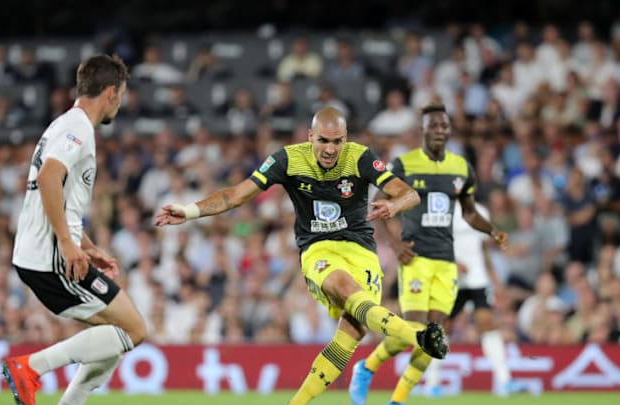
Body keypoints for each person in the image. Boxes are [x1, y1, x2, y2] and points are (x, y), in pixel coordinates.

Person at [155, 107, 449, 405]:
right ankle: (419, 337)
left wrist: (394, 206)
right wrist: (190, 211)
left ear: (345, 139)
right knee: (346, 290)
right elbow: (237, 194)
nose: (331, 149)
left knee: (352, 331)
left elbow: (409, 193)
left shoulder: (360, 157)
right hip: (319, 249)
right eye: (323, 140)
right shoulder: (288, 159)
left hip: (361, 251)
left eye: (337, 142)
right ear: (310, 137)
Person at [2, 54, 146, 405]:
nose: (121, 103)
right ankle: (31, 367)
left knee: (112, 334)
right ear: (111, 92)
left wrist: (88, 245)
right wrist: (67, 244)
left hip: (40, 253)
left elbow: (58, 200)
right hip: (49, 256)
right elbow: (50, 177)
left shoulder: (63, 124)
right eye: (122, 95)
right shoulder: (77, 127)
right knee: (134, 330)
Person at [348, 99, 508, 405]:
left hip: (446, 264)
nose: (440, 130)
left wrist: (493, 231)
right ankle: (367, 368)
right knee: (415, 330)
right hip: (416, 259)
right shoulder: (405, 165)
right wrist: (395, 245)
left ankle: (397, 400)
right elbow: (378, 205)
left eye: (444, 125)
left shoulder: (461, 168)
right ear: (422, 130)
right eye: (433, 125)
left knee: (433, 338)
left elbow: (470, 213)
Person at [423, 201, 528, 397]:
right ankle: (432, 383)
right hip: (451, 277)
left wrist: (495, 282)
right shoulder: (440, 208)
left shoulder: (480, 211)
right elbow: (432, 245)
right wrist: (452, 262)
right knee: (441, 327)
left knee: (487, 323)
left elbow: (485, 250)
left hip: (477, 278)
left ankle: (504, 382)